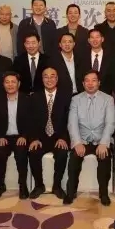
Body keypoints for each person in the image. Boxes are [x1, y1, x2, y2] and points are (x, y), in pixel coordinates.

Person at [64, 70, 115, 206]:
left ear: (99, 83)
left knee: (104, 158)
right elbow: (72, 123)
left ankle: (103, 193)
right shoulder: (75, 99)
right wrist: (77, 143)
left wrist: (104, 143)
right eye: (87, 80)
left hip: (101, 140)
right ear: (83, 83)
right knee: (74, 159)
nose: (90, 83)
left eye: (94, 80)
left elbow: (110, 123)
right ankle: (71, 192)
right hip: (82, 140)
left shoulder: (108, 99)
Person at [27, 67, 71, 200]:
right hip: (41, 138)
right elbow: (30, 121)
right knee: (33, 151)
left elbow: (70, 120)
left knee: (62, 152)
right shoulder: (34, 97)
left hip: (59, 137)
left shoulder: (66, 97)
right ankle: (39, 185)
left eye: (52, 76)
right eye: (46, 76)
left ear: (57, 79)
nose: (49, 79)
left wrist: (64, 138)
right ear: (42, 79)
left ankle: (57, 186)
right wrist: (34, 138)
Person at [0, 72, 30, 199]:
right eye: (7, 82)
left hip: (20, 136)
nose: (10, 85)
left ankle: (22, 185)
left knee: (21, 152)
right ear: (3, 84)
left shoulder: (27, 99)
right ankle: (0, 185)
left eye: (13, 82)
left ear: (19, 84)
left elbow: (32, 121)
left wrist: (24, 136)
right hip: (4, 137)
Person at [80, 28, 114, 94]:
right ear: (88, 40)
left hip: (106, 94)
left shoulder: (111, 56)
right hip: (86, 94)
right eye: (92, 37)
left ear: (102, 39)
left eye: (97, 37)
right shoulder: (81, 56)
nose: (95, 40)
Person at [50, 33, 83, 97]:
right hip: (61, 96)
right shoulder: (53, 61)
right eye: (64, 42)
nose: (67, 44)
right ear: (60, 44)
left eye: (70, 42)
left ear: (74, 44)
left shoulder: (80, 59)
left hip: (79, 95)